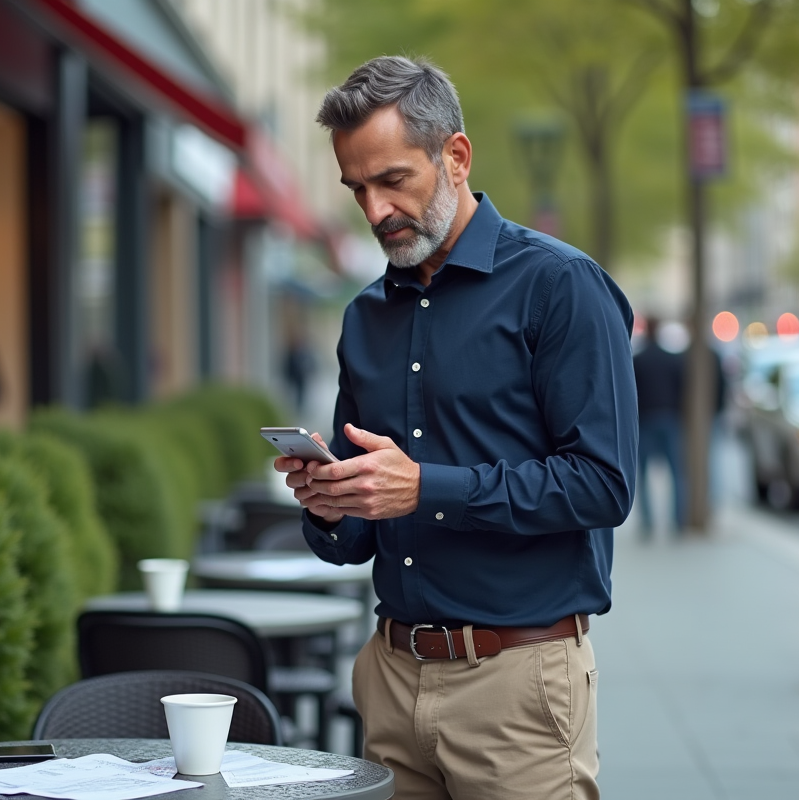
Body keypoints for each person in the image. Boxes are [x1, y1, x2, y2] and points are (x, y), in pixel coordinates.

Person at [272, 56, 637, 800]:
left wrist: (424, 489)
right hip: (388, 682)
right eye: (357, 189)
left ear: (456, 157)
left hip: (517, 688)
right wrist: (331, 502)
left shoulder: (560, 286)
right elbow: (358, 536)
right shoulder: (364, 316)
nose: (375, 210)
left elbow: (604, 485)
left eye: (392, 179)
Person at [632, 317, 687, 536]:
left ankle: (647, 522)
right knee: (676, 473)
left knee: (643, 475)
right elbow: (682, 390)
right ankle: (678, 520)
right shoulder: (672, 360)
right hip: (669, 418)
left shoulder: (638, 360)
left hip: (646, 420)